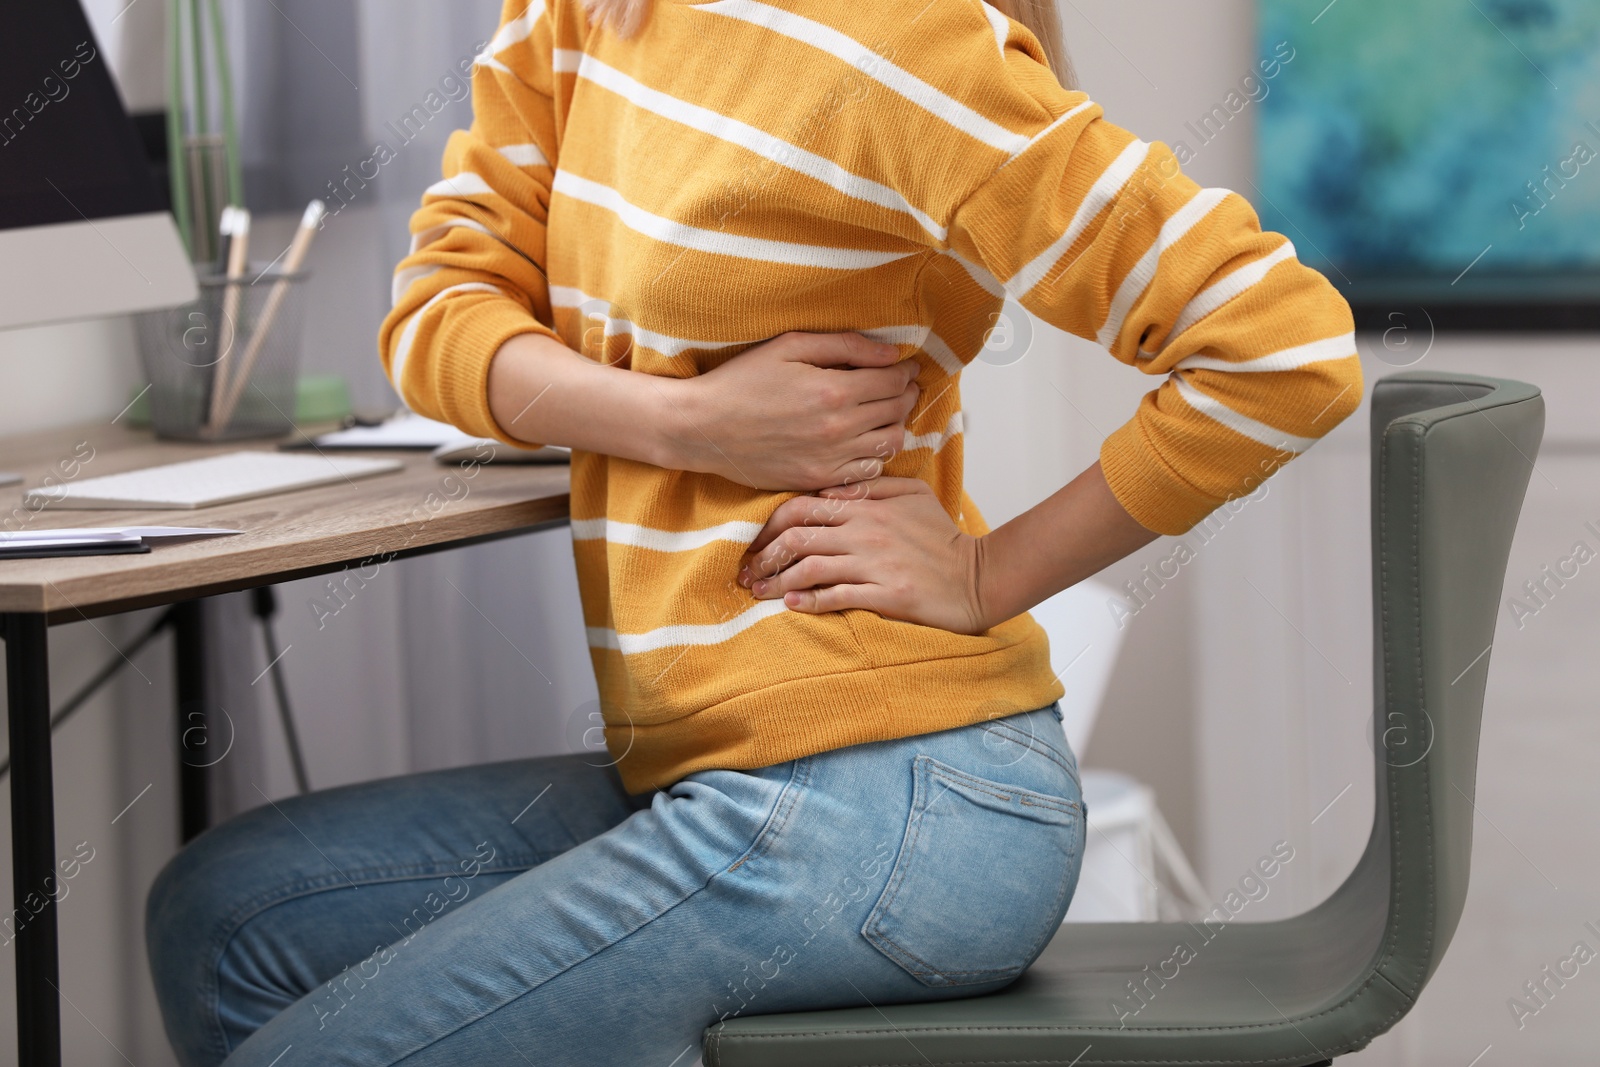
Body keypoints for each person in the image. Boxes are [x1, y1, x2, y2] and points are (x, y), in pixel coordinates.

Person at [146, 0, 1362, 1062]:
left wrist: (988, 571)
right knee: (229, 912)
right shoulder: (587, 11)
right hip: (704, 772)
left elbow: (1281, 350)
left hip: (901, 802)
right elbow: (435, 318)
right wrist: (689, 421)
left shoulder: (910, 41)